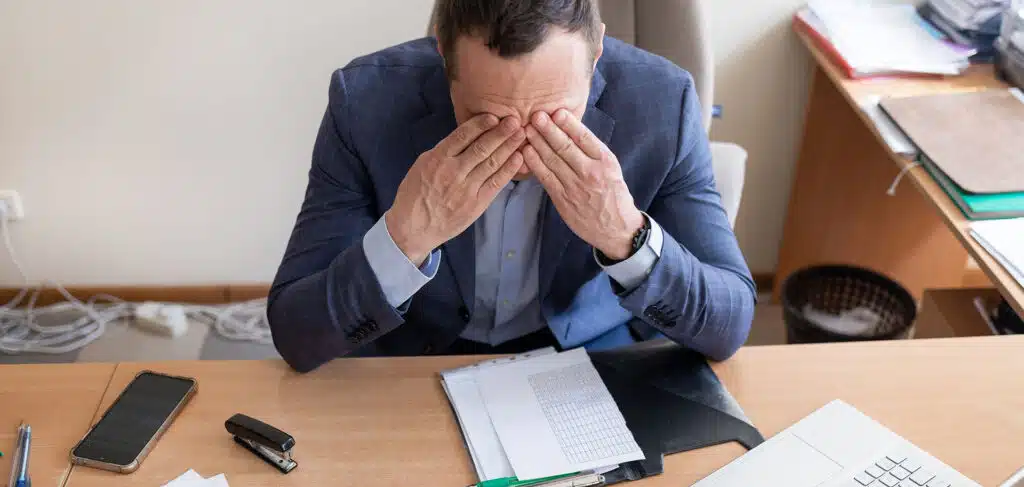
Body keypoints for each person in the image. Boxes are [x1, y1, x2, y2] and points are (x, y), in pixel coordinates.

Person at [268, 0, 756, 373]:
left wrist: (624, 235)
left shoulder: (664, 104)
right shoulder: (363, 102)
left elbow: (729, 324)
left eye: (555, 116)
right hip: (416, 354)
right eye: (488, 118)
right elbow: (296, 334)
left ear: (598, 50)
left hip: (584, 355)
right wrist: (405, 237)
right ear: (442, 50)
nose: (522, 146)